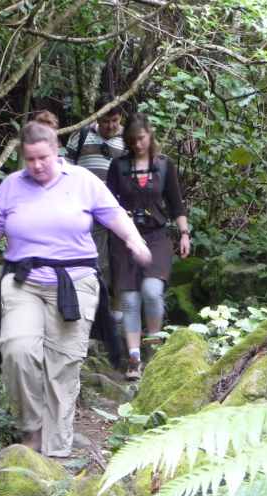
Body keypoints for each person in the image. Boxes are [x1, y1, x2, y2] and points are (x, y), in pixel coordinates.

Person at [0, 121, 151, 457]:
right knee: (17, 351)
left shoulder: (83, 181)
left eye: (43, 158)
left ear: (57, 152)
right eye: (30, 159)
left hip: (75, 282)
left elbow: (114, 216)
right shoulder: (11, 185)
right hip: (23, 280)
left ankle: (56, 451)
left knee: (62, 366)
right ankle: (32, 431)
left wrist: (135, 241)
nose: (37, 166)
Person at [106, 113, 190, 380]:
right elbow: (107, 203)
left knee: (152, 291)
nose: (137, 144)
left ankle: (154, 346)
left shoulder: (164, 165)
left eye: (141, 138)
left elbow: (176, 203)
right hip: (124, 239)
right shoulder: (118, 166)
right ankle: (134, 358)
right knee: (130, 300)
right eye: (132, 140)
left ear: (150, 136)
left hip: (156, 236)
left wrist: (184, 233)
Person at [65, 95, 125, 292]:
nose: (110, 126)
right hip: (82, 208)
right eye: (105, 121)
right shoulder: (81, 134)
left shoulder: (128, 139)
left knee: (111, 259)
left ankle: (106, 299)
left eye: (115, 120)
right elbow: (67, 169)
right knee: (84, 256)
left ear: (121, 118)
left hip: (114, 210)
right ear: (97, 117)